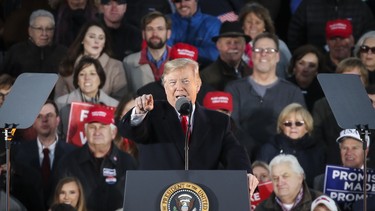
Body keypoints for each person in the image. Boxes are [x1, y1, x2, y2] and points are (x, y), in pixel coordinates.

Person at [225, 32, 305, 161]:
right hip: (243, 158)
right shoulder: (234, 89)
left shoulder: (292, 92)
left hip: (282, 159)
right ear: (252, 54)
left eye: (270, 50)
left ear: (278, 56)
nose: (264, 54)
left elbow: (299, 130)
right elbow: (231, 127)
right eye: (258, 50)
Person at [55, 105, 137, 211]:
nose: (97, 131)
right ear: (85, 131)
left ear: (113, 132)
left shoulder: (128, 162)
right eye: (92, 127)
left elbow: (137, 199)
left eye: (102, 126)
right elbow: (58, 203)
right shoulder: (68, 162)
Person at [13, 100, 76, 210]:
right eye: (39, 116)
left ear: (58, 120)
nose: (44, 120)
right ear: (32, 123)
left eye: (49, 115)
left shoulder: (73, 153)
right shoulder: (18, 152)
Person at [312, 57, 369, 167]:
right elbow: (317, 142)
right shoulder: (322, 106)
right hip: (331, 167)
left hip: (367, 171)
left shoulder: (371, 106)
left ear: (364, 82)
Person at [55, 20, 128, 101]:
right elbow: (59, 102)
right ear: (82, 39)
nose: (96, 41)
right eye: (92, 37)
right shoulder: (67, 64)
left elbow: (121, 101)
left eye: (101, 38)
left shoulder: (116, 66)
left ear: (104, 44)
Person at [257, 103, 325, 187]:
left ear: (307, 127)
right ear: (281, 127)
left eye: (299, 123)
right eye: (288, 123)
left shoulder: (318, 150)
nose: (293, 127)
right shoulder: (268, 149)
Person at [55, 56, 119, 140]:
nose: (87, 78)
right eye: (82, 74)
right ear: (77, 80)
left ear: (100, 78)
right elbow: (55, 136)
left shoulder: (115, 106)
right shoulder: (61, 103)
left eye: (92, 74)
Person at [1, 9, 67, 80]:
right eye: (39, 29)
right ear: (30, 31)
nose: (44, 34)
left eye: (49, 29)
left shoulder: (63, 52)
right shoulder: (16, 51)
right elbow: (4, 77)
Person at [287, 0, 375, 53]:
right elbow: (294, 39)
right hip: (315, 68)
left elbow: (370, 37)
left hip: (353, 65)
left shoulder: (360, 7)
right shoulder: (308, 5)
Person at [123, 11, 172, 95]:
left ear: (168, 33)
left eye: (160, 29)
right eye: (150, 29)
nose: (155, 34)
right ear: (143, 34)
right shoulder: (128, 62)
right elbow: (126, 97)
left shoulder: (181, 60)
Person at [238, 2, 291, 78]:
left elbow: (289, 72)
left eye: (258, 22)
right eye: (249, 22)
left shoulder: (279, 46)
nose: (253, 26)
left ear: (264, 27)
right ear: (243, 25)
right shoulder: (237, 47)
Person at [255, 154, 322, 210]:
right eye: (275, 178)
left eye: (285, 176)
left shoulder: (321, 203)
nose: (280, 182)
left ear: (300, 177)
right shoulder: (262, 208)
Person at [200, 21, 252, 91]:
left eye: (237, 42)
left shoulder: (254, 75)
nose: (233, 46)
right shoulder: (205, 77)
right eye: (228, 42)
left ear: (244, 46)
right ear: (218, 45)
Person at [167, 0, 221, 67]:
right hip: (172, 71)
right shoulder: (165, 21)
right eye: (178, 1)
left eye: (187, 0)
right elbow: (163, 52)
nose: (183, 4)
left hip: (204, 71)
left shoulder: (212, 23)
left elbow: (214, 54)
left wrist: (184, 51)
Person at [313, 129, 370, 193]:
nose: (349, 153)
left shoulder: (372, 180)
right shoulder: (322, 181)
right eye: (345, 148)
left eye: (354, 148)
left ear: (366, 151)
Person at [287, 44, 326, 112]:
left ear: (317, 71)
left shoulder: (323, 92)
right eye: (301, 63)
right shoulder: (283, 88)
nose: (305, 69)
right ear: (294, 67)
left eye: (311, 66)